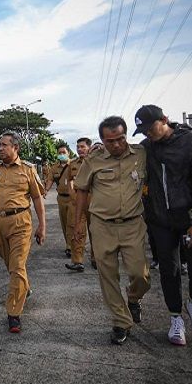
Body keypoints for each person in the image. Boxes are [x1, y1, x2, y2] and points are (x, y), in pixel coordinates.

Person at [134, 105, 192, 346]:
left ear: (164, 120)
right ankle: (175, 318)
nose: (149, 134)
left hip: (190, 220)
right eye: (144, 131)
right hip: (160, 222)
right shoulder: (147, 149)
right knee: (170, 271)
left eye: (151, 128)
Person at [73, 117, 150, 345]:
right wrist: (78, 223)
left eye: (120, 139)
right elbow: (81, 190)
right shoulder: (93, 159)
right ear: (102, 141)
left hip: (133, 224)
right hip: (102, 225)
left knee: (140, 274)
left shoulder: (141, 154)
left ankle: (134, 297)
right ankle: (120, 322)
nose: (116, 145)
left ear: (126, 135)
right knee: (107, 276)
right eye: (110, 141)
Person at [0, 132, 46, 333]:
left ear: (15, 148)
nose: (0, 148)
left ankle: (13, 313)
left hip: (21, 222)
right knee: (10, 262)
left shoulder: (28, 170)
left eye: (4, 145)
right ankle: (24, 287)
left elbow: (38, 199)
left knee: (17, 265)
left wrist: (42, 225)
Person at [65, 137, 92, 271]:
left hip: (94, 201)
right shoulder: (73, 164)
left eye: (83, 147)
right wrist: (72, 194)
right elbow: (69, 180)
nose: (80, 149)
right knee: (77, 230)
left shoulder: (96, 162)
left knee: (95, 231)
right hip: (78, 201)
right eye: (78, 147)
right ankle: (77, 261)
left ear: (89, 147)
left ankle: (96, 259)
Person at [45, 145, 74, 257]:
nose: (61, 154)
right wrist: (46, 190)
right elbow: (50, 179)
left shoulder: (74, 165)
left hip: (73, 198)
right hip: (61, 198)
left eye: (63, 152)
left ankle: (73, 246)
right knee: (64, 222)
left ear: (68, 154)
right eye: (59, 152)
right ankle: (68, 244)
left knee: (72, 222)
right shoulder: (54, 167)